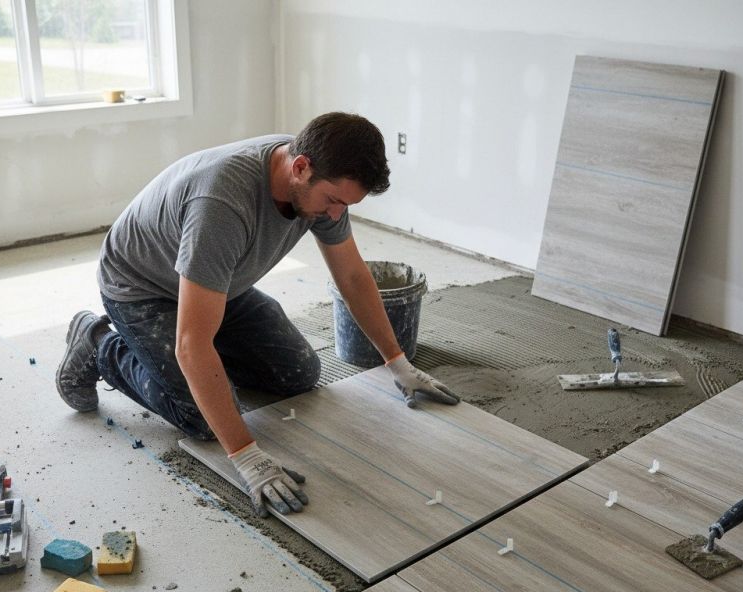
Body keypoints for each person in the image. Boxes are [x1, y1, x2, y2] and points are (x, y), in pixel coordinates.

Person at [56, 112, 459, 518]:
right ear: (300, 168)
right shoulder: (222, 203)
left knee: (298, 373)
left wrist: (397, 361)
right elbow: (192, 344)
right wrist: (248, 457)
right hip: (143, 288)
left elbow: (353, 276)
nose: (337, 215)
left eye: (347, 205)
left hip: (217, 283)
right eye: (335, 201)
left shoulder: (319, 176)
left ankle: (196, 364)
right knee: (201, 418)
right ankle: (99, 346)